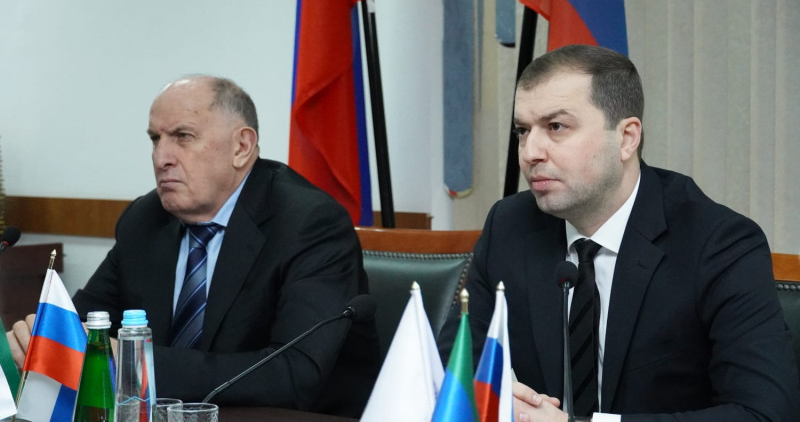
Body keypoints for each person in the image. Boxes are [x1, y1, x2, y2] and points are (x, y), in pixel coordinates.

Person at [438, 45, 800, 421]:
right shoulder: (510, 225)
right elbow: (452, 365)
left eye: (556, 127)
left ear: (627, 138)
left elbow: (764, 414)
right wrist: (493, 400)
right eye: (522, 131)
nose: (531, 152)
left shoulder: (718, 243)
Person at [6, 75, 380, 417]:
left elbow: (293, 374)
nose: (161, 157)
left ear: (241, 146)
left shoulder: (308, 222)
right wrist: (47, 338)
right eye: (155, 139)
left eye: (183, 136)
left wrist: (134, 364)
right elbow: (88, 322)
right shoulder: (145, 219)